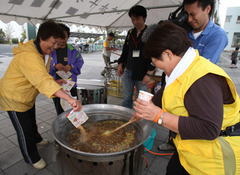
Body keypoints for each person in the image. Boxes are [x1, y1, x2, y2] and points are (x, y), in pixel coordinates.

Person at [132, 21, 240, 175]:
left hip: (213, 161)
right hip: (190, 149)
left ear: (168, 54)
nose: (155, 65)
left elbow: (209, 129)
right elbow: (168, 90)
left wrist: (158, 115)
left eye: (154, 61)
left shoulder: (203, 79)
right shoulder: (182, 67)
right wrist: (145, 109)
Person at [0, 20, 82, 170]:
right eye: (54, 42)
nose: (55, 47)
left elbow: (42, 75)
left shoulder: (44, 52)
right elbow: (42, 80)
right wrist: (68, 98)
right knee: (24, 130)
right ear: (42, 38)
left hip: (27, 95)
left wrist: (55, 81)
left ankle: (37, 138)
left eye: (58, 44)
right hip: (14, 97)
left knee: (31, 121)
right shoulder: (29, 55)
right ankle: (31, 157)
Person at [159, 0, 229, 151]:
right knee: (174, 112)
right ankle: (173, 142)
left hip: (194, 87)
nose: (189, 19)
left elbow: (199, 66)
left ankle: (185, 146)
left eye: (193, 14)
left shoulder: (218, 35)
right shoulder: (185, 32)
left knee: (193, 121)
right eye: (186, 14)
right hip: (176, 82)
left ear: (208, 9)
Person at [117, 5, 155, 109]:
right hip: (128, 70)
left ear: (144, 18)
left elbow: (154, 55)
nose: (135, 22)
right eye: (132, 19)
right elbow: (125, 51)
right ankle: (126, 119)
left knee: (143, 100)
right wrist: (120, 64)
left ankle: (142, 120)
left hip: (142, 73)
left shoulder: (150, 33)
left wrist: (149, 74)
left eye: (137, 18)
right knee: (127, 98)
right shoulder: (130, 33)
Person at [50, 23, 84, 115]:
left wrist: (72, 66)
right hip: (57, 84)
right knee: (60, 109)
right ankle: (62, 125)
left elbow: (80, 62)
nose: (62, 40)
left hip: (71, 84)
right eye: (60, 37)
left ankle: (74, 126)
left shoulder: (73, 50)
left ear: (68, 37)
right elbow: (44, 67)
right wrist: (54, 66)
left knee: (74, 108)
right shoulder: (51, 50)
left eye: (64, 37)